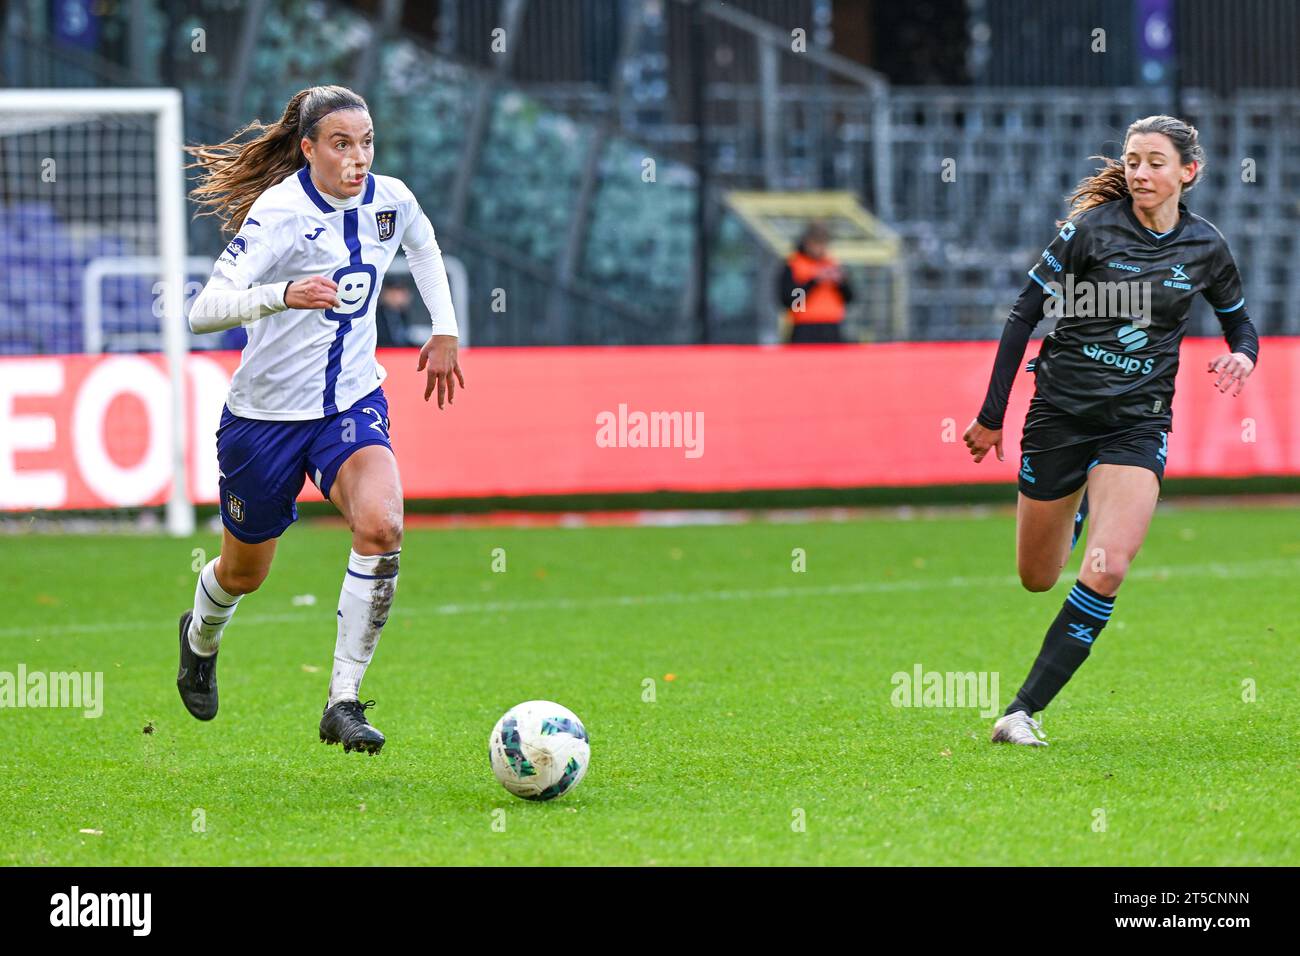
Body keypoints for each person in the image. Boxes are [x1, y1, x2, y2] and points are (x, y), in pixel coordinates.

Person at [177, 85, 465, 754]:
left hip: (350, 404)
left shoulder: (391, 199)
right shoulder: (280, 213)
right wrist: (282, 294)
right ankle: (200, 637)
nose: (357, 157)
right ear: (308, 149)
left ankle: (343, 700)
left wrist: (444, 328)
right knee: (245, 574)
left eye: (366, 143)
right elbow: (203, 310)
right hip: (264, 420)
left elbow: (421, 246)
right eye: (341, 144)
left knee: (383, 522)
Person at [963, 115, 1259, 746]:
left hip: (1138, 422)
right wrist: (992, 417)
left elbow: (1241, 326)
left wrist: (1243, 357)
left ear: (1188, 172)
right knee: (1038, 576)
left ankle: (1021, 712)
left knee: (1108, 566)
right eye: (1132, 161)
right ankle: (1072, 511)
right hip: (1062, 416)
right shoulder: (1089, 232)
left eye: (1155, 161)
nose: (1141, 173)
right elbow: (1023, 316)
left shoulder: (1206, 247)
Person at [777, 221, 855, 343]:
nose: (820, 248)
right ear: (807, 242)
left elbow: (850, 298)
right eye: (816, 243)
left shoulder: (832, 263)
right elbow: (791, 302)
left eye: (823, 243)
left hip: (832, 328)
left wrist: (841, 283)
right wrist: (814, 281)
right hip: (805, 329)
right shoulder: (794, 264)